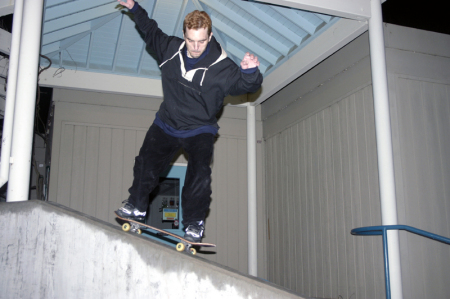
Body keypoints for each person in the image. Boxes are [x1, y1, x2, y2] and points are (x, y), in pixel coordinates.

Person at [115, 0, 263, 243]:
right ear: (184, 35)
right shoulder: (169, 49)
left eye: (202, 41)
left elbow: (244, 85)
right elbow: (150, 30)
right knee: (145, 164)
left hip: (200, 129)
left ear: (210, 36)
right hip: (166, 123)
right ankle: (137, 207)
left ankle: (194, 224)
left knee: (199, 173)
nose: (196, 47)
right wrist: (134, 7)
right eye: (191, 40)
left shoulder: (222, 67)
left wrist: (250, 72)